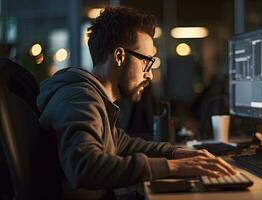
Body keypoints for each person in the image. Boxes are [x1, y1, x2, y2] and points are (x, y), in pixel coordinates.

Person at [37, 6, 236, 199]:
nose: (149, 74)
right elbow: (85, 167)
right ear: (120, 56)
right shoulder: (79, 99)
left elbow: (124, 144)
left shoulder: (93, 98)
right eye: (146, 62)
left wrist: (177, 153)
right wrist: (173, 167)